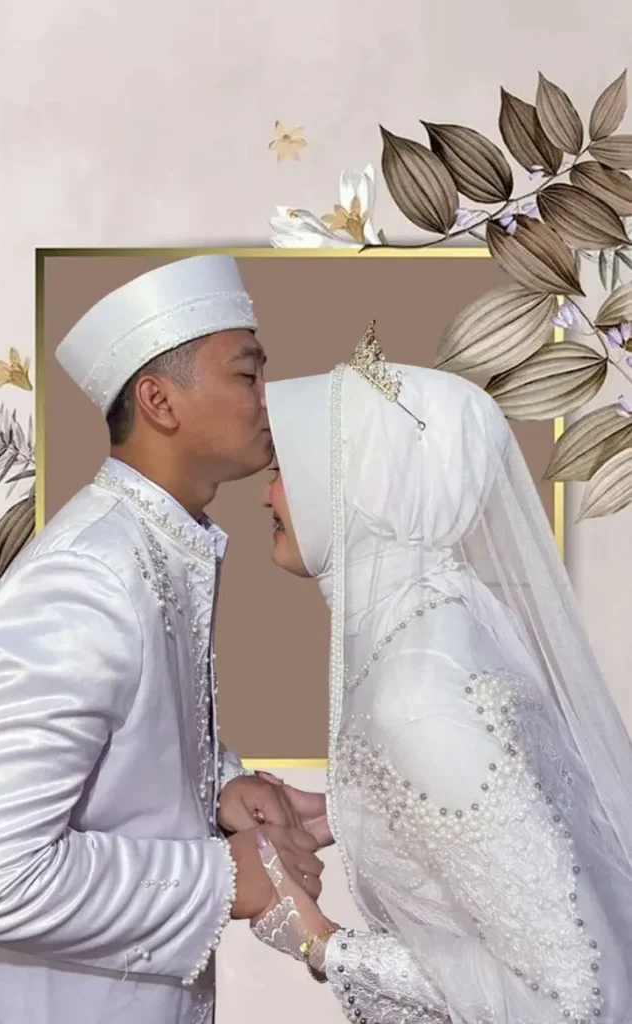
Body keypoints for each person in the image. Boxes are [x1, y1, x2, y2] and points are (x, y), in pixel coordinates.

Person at [0, 255, 329, 1024]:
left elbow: (120, 740)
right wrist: (224, 878)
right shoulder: (89, 576)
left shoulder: (159, 545)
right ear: (159, 401)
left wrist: (220, 788)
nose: (269, 397)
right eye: (247, 374)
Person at [247, 321, 632, 1023]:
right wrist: (346, 812)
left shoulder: (417, 695)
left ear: (367, 486)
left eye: (286, 468)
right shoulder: (434, 626)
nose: (268, 494)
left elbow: (574, 999)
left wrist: (320, 942)